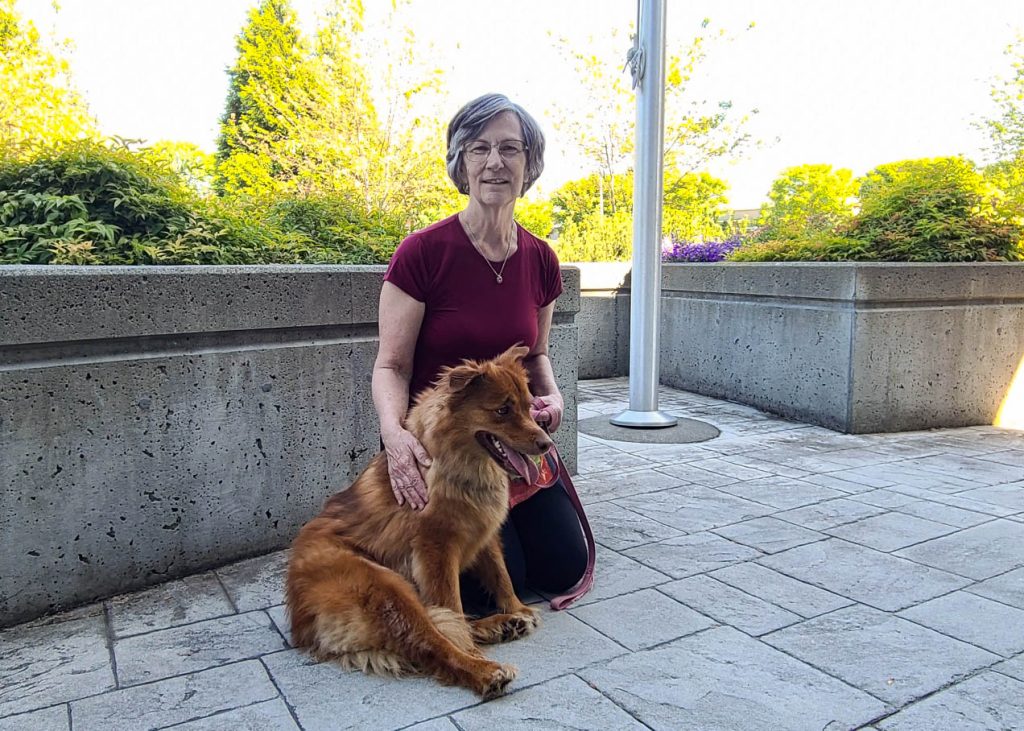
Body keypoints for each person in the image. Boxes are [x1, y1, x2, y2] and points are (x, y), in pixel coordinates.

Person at [371, 92, 587, 613]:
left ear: (529, 165)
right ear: (460, 163)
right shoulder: (423, 252)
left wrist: (553, 398)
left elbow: (536, 357)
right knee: (481, 587)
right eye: (479, 148)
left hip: (512, 443)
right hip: (449, 452)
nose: (495, 162)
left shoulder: (540, 259)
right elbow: (390, 365)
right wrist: (396, 439)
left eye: (510, 149)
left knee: (565, 567)